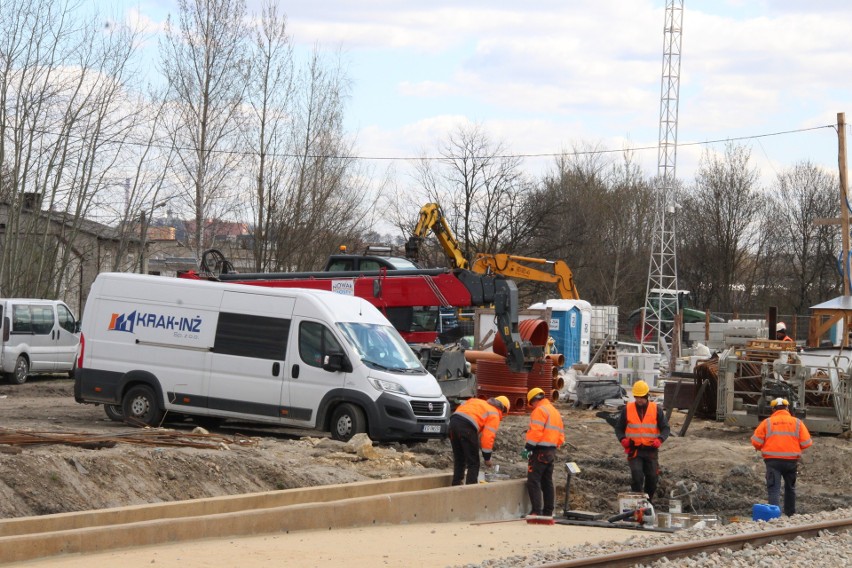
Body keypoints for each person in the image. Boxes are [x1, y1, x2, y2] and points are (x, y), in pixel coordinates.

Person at [751, 397, 812, 516]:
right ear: (787, 408)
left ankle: (774, 517)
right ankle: (790, 514)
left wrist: (762, 447)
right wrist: (794, 449)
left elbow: (756, 442)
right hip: (791, 462)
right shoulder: (797, 423)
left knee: (774, 489)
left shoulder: (767, 422)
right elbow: (806, 443)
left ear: (773, 409)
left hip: (772, 462)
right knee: (790, 488)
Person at [614, 380, 670, 503]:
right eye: (637, 397)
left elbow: (666, 428)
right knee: (637, 475)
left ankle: (648, 503)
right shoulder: (627, 409)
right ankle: (638, 503)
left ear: (647, 396)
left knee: (652, 478)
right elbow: (619, 428)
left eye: (642, 397)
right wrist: (622, 439)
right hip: (635, 450)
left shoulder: (656, 409)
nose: (639, 400)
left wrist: (660, 439)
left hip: (650, 451)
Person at [522, 387, 565, 518]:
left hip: (540, 450)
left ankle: (536, 511)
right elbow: (561, 435)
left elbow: (536, 431)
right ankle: (548, 511)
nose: (532, 406)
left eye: (531, 403)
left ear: (534, 400)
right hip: (551, 451)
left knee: (533, 480)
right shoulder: (554, 411)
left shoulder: (540, 410)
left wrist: (528, 447)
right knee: (547, 482)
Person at [448, 396, 510, 486]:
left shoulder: (476, 401)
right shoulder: (494, 413)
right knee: (473, 463)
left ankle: (456, 486)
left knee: (459, 459)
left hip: (452, 424)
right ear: (503, 410)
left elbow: (462, 411)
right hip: (467, 428)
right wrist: (487, 458)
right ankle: (471, 491)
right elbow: (487, 437)